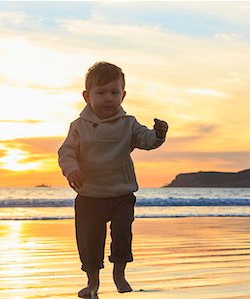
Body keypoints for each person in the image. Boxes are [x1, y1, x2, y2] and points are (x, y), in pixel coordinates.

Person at [58, 62, 168, 297]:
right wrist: (71, 169)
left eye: (114, 93)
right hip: (89, 195)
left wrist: (158, 134)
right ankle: (92, 281)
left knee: (122, 232)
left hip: (121, 194)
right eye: (101, 93)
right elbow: (66, 152)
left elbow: (146, 140)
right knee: (89, 241)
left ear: (123, 95)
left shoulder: (128, 124)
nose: (109, 98)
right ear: (87, 96)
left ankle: (119, 272)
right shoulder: (79, 127)